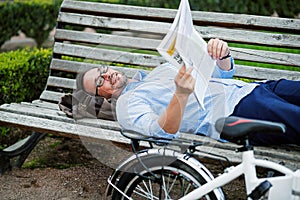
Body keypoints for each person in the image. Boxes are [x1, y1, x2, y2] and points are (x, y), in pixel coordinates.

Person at [79, 38, 300, 146]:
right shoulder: (128, 104)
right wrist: (181, 95)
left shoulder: (160, 69)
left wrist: (221, 54)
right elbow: (160, 133)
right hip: (238, 112)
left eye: (103, 70)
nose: (107, 75)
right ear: (105, 96)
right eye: (100, 80)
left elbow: (221, 75)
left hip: (258, 87)